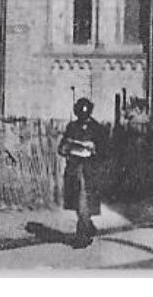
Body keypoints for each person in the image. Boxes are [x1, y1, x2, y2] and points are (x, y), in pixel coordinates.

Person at [58, 97, 107, 245]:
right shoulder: (72, 127)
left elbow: (105, 150)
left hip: (89, 169)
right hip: (74, 168)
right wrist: (68, 145)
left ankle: (82, 236)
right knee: (77, 201)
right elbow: (61, 149)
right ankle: (88, 225)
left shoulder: (97, 128)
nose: (82, 118)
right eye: (80, 114)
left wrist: (94, 147)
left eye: (85, 114)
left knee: (83, 199)